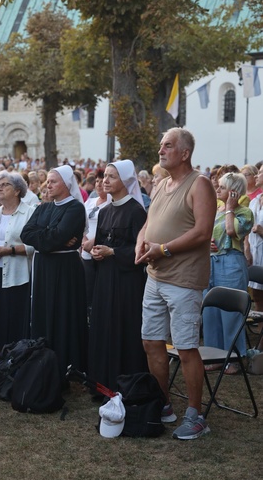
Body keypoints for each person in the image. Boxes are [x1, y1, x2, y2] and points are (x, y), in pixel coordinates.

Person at [135, 127, 216, 440]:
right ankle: (164, 404)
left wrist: (164, 249)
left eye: (168, 146)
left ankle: (195, 416)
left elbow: (203, 232)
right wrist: (142, 242)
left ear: (185, 153)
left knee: (185, 348)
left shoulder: (201, 184)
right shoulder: (161, 184)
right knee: (151, 342)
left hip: (183, 279)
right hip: (154, 277)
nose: (161, 150)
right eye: (160, 146)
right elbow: (148, 222)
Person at [21, 165, 88, 387]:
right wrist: (52, 237)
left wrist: (50, 238)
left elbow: (52, 238)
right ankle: (43, 364)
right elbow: (26, 234)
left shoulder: (75, 208)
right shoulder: (43, 207)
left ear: (67, 184)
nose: (47, 185)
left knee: (63, 315)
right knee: (42, 314)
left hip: (65, 269)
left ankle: (65, 366)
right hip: (44, 267)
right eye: (47, 181)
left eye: (53, 182)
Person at [88, 160, 148, 392]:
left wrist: (113, 252)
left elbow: (139, 250)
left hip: (126, 282)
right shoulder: (104, 211)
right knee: (104, 326)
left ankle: (125, 382)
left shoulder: (136, 211)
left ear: (125, 181)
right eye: (105, 176)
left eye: (112, 177)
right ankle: (103, 382)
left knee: (123, 327)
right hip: (105, 279)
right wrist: (97, 252)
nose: (105, 181)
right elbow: (102, 242)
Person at [0, 171, 35, 358]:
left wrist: (8, 250)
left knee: (14, 319)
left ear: (17, 190)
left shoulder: (30, 212)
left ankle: (16, 362)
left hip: (17, 275)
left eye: (5, 185)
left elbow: (34, 245)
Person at [202, 172, 253, 373]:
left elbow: (232, 232)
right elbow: (206, 234)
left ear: (233, 191)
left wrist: (231, 208)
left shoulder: (244, 212)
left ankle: (234, 358)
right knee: (210, 312)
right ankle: (214, 357)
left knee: (230, 314)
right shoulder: (216, 209)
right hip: (212, 263)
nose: (217, 190)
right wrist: (208, 245)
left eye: (222, 187)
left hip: (231, 263)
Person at [81, 169, 111, 318]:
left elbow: (108, 227)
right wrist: (84, 241)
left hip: (100, 250)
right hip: (85, 252)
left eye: (102, 180)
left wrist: (93, 243)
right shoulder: (90, 202)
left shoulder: (111, 203)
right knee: (87, 289)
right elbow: (82, 223)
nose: (99, 184)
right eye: (97, 181)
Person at [246, 164, 263, 348]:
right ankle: (259, 338)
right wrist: (247, 249)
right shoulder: (254, 201)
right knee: (257, 296)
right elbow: (247, 230)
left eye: (261, 172)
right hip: (254, 252)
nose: (257, 175)